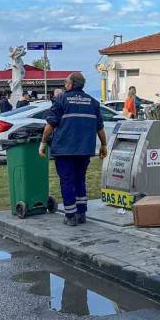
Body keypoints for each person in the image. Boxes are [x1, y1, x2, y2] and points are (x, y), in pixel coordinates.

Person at [39, 72, 107, 226]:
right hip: (84, 150)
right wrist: (103, 145)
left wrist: (43, 143)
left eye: (66, 82)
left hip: (64, 149)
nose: (65, 84)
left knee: (67, 181)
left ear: (70, 84)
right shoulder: (93, 102)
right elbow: (100, 128)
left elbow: (50, 124)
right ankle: (81, 213)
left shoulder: (61, 99)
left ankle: (70, 216)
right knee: (80, 179)